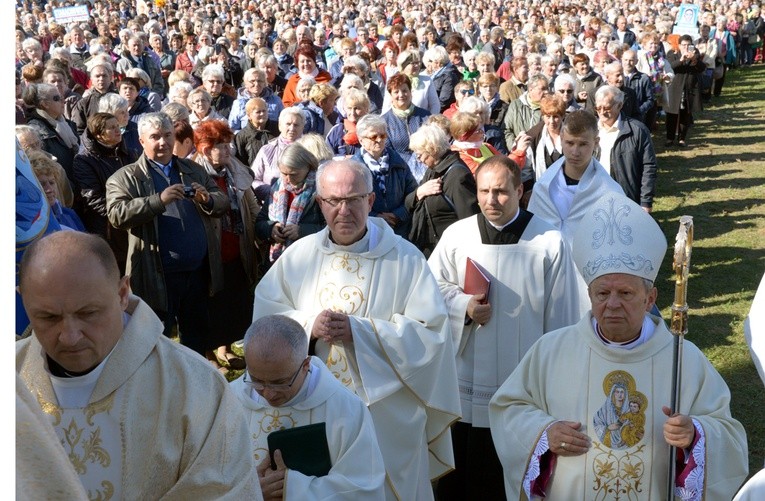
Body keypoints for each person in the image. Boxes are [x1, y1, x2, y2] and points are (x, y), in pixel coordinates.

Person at [488, 191, 748, 500]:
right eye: (602, 294)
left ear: (649, 299)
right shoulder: (551, 351)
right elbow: (508, 409)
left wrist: (694, 434)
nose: (612, 305)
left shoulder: (684, 360)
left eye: (624, 293)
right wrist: (544, 434)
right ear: (590, 295)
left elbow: (729, 435)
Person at [252, 158, 461, 500]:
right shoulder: (299, 256)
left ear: (370, 201)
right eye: (333, 201)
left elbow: (431, 333)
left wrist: (359, 331)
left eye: (353, 199)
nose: (343, 210)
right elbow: (267, 322)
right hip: (315, 409)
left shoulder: (405, 259)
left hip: (385, 413)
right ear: (320, 203)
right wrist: (308, 326)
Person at [16, 231, 262, 499]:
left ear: (122, 293)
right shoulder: (13, 377)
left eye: (88, 313)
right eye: (49, 317)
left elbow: (227, 491)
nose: (70, 336)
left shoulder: (195, 386)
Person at [428, 153, 581, 500]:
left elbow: (562, 316)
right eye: (483, 192)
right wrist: (462, 306)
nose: (490, 200)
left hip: (524, 378)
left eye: (500, 192)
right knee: (463, 477)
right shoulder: (457, 236)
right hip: (467, 379)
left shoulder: (549, 241)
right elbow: (430, 290)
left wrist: (556, 381)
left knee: (513, 471)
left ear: (519, 190)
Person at [106, 112, 229, 357]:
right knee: (155, 340)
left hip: (197, 272)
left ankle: (194, 385)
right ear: (141, 141)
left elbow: (222, 201)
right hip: (156, 275)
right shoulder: (127, 176)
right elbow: (117, 214)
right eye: (155, 137)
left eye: (167, 135)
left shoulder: (192, 169)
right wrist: (157, 201)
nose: (162, 142)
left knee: (196, 337)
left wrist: (208, 199)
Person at [232, 315, 387, 500]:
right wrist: (246, 491)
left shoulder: (346, 409)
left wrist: (292, 489)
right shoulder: (227, 400)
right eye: (257, 381)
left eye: (280, 383)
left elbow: (364, 488)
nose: (268, 393)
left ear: (305, 365)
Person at [191, 120, 261, 372]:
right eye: (222, 145)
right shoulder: (193, 173)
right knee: (212, 303)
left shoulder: (234, 169)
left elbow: (250, 202)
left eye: (228, 143)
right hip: (210, 252)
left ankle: (227, 348)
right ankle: (208, 354)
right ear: (206, 149)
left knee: (234, 301)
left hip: (236, 247)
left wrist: (261, 227)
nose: (228, 149)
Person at [73, 112, 138, 273]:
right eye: (111, 128)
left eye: (118, 126)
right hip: (108, 228)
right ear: (98, 134)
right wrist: (123, 214)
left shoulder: (129, 153)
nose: (118, 131)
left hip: (134, 221)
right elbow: (93, 198)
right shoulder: (84, 160)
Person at [406, 124, 480, 256]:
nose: (418, 160)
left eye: (420, 155)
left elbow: (469, 219)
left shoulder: (457, 175)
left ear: (432, 149)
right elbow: (408, 203)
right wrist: (420, 192)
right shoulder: (432, 170)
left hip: (450, 252)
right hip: (431, 248)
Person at [255, 143, 325, 266]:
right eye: (283, 173)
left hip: (309, 261)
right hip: (277, 262)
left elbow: (331, 229)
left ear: (308, 167)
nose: (287, 179)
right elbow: (260, 222)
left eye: (293, 174)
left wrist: (302, 231)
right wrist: (271, 229)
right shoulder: (277, 188)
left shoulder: (321, 189)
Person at [352, 114, 417, 238]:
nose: (379, 140)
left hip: (400, 228)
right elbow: (352, 201)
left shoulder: (398, 162)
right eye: (373, 136)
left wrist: (399, 214)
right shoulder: (354, 168)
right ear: (361, 140)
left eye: (383, 135)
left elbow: (411, 192)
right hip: (367, 230)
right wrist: (377, 218)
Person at [594, 85, 657, 212]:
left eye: (606, 107)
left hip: (627, 199)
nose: (601, 112)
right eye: (598, 108)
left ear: (619, 105)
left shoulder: (637, 131)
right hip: (597, 198)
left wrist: (645, 201)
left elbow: (649, 166)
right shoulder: (590, 130)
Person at [23, 83, 80, 186]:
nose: (63, 100)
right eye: (57, 98)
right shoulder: (36, 132)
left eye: (62, 97)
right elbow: (44, 169)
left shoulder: (67, 124)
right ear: (45, 104)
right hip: (59, 190)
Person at [381, 73, 432, 182]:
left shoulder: (426, 116)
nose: (401, 94)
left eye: (405, 90)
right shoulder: (384, 121)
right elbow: (387, 150)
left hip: (426, 170)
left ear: (410, 92)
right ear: (390, 95)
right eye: (396, 91)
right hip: (398, 172)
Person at [251, 106, 305, 204]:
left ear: (303, 127)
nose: (292, 128)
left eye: (296, 125)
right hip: (271, 205)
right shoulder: (267, 150)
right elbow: (254, 179)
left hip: (303, 205)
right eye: (288, 124)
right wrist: (274, 192)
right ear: (280, 126)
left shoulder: (311, 149)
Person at [28, 150, 85, 231]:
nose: (49, 189)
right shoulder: (27, 227)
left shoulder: (69, 214)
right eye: (42, 184)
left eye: (51, 183)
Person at [665, 35, 706, 147]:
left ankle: (682, 138)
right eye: (684, 45)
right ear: (679, 45)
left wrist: (694, 60)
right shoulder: (672, 53)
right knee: (672, 114)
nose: (686, 47)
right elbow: (670, 67)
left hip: (690, 88)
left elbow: (702, 68)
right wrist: (681, 60)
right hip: (675, 87)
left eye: (688, 45)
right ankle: (670, 138)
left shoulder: (695, 53)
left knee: (686, 114)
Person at [233, 97, 278, 167]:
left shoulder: (277, 128)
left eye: (264, 111)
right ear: (249, 115)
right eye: (258, 112)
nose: (262, 114)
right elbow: (240, 161)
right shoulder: (242, 136)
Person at [326, 88, 370, 157]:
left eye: (357, 108)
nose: (352, 113)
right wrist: (344, 158)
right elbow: (327, 156)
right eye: (349, 108)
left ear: (366, 109)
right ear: (344, 108)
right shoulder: (337, 131)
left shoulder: (373, 130)